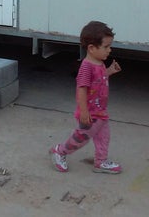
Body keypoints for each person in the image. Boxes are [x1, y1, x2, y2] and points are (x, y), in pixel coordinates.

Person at [49, 21, 123, 174]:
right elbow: (81, 89)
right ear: (91, 48)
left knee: (104, 137)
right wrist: (84, 112)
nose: (109, 50)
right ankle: (60, 151)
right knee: (80, 139)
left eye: (110, 46)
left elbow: (99, 80)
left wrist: (109, 71)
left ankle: (101, 162)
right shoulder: (87, 66)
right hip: (89, 114)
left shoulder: (100, 63)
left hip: (101, 112)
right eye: (106, 47)